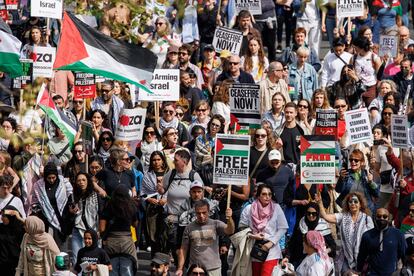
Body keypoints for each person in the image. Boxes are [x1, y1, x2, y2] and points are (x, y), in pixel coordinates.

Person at [159, 149, 203, 263]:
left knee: (188, 245)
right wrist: (160, 188)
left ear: (184, 161)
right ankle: (181, 267)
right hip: (172, 219)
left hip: (188, 219)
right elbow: (163, 190)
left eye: (176, 160)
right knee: (175, 245)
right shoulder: (171, 173)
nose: (174, 162)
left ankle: (186, 266)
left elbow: (200, 195)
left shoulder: (194, 175)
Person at [317, 192, 374, 273]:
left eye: (355, 201)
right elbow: (325, 216)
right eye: (350, 202)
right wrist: (320, 203)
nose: (353, 204)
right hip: (346, 258)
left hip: (363, 258)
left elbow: (371, 240)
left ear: (360, 204)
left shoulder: (367, 220)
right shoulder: (343, 217)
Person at [239, 183, 288, 276]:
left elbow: (283, 228)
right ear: (258, 195)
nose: (267, 197)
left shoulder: (276, 208)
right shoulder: (248, 209)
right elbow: (242, 227)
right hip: (254, 248)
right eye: (264, 194)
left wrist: (271, 243)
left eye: (269, 194)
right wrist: (252, 235)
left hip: (271, 250)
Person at [176, 199, 235, 276]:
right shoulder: (189, 227)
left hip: (214, 269)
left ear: (209, 211)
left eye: (204, 213)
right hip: (195, 270)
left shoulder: (216, 224)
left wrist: (230, 218)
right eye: (198, 213)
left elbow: (230, 231)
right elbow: (183, 249)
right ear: (195, 212)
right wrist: (180, 268)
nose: (201, 216)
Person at [30, 162, 74, 247]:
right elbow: (35, 202)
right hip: (47, 219)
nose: (51, 180)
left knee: (62, 247)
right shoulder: (38, 186)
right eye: (49, 178)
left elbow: (71, 196)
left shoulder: (63, 182)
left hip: (63, 218)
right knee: (50, 245)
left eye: (53, 177)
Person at [99, 185, 138, 276]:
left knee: (111, 268)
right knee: (128, 266)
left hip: (111, 242)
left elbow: (102, 228)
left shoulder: (108, 206)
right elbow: (135, 224)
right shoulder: (132, 207)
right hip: (127, 241)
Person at [357, 208, 406, 275]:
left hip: (392, 274)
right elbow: (362, 255)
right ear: (374, 218)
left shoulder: (398, 234)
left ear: (388, 219)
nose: (382, 218)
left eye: (385, 216)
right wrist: (359, 270)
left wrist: (404, 269)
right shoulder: (367, 235)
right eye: (379, 216)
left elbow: (404, 253)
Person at [286, 203, 336, 268]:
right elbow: (293, 241)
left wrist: (324, 252)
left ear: (317, 213)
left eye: (314, 213)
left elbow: (332, 246)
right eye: (308, 213)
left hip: (317, 262)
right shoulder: (300, 224)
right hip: (300, 259)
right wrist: (288, 256)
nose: (311, 216)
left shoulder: (323, 226)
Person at [71, 172, 104, 261]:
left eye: (83, 180)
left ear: (88, 182)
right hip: (78, 229)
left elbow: (101, 213)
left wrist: (100, 231)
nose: (81, 182)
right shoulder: (73, 195)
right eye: (79, 180)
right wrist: (71, 211)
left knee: (94, 261)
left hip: (93, 231)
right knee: (77, 260)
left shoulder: (95, 195)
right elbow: (69, 212)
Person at [336, 149, 379, 214]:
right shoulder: (346, 174)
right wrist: (341, 178)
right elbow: (338, 190)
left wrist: (371, 182)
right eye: (351, 160)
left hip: (366, 210)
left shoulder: (368, 174)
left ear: (362, 162)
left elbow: (377, 194)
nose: (353, 162)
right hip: (349, 210)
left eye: (356, 160)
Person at [276, 102, 304, 170]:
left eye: (291, 112)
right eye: (287, 112)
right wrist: (277, 147)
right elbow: (273, 151)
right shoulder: (278, 131)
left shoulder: (302, 131)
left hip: (300, 167)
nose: (288, 115)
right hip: (284, 167)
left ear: (296, 113)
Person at [0, 206, 25, 276]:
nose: (2, 218)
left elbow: (36, 227)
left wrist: (19, 218)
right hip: (2, 267)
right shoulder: (1, 228)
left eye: (4, 216)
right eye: (2, 215)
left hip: (18, 267)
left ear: (12, 217)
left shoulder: (22, 230)